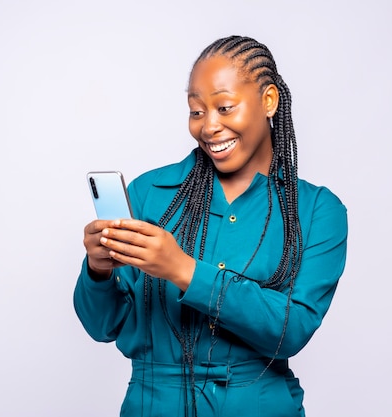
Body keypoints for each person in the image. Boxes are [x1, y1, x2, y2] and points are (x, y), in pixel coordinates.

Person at [74, 35, 348, 417]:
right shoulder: (150, 194)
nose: (209, 126)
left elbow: (292, 329)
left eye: (224, 107)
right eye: (197, 111)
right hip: (153, 404)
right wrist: (99, 271)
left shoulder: (317, 210)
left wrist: (182, 269)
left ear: (268, 101)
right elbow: (105, 325)